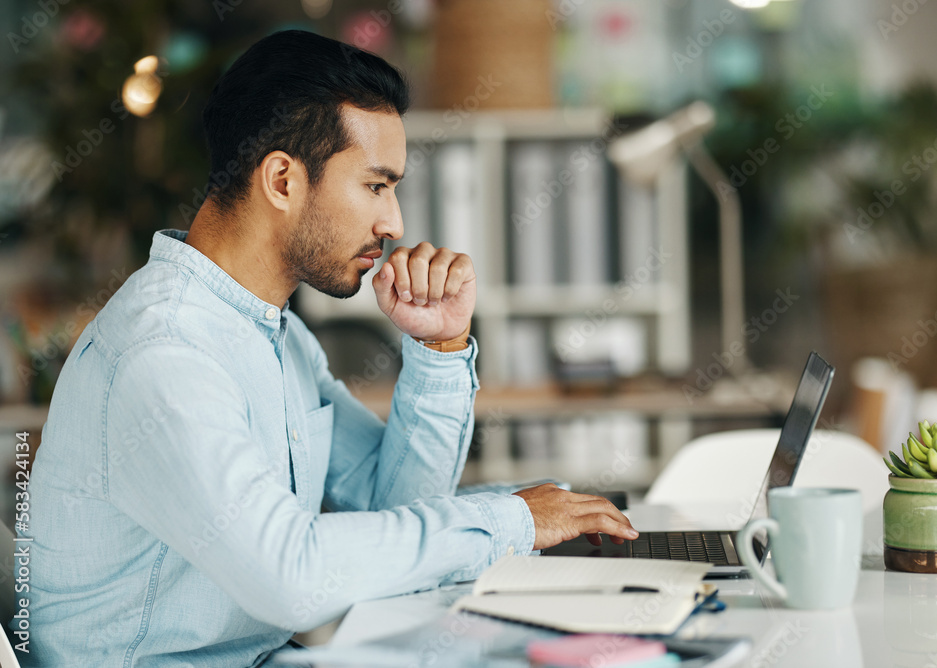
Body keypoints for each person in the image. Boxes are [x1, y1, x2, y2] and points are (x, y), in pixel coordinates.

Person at [21, 30, 637, 666]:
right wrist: (512, 522)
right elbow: (292, 578)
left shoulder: (273, 333)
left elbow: (393, 506)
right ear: (283, 180)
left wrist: (441, 347)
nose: (394, 223)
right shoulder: (164, 351)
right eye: (376, 186)